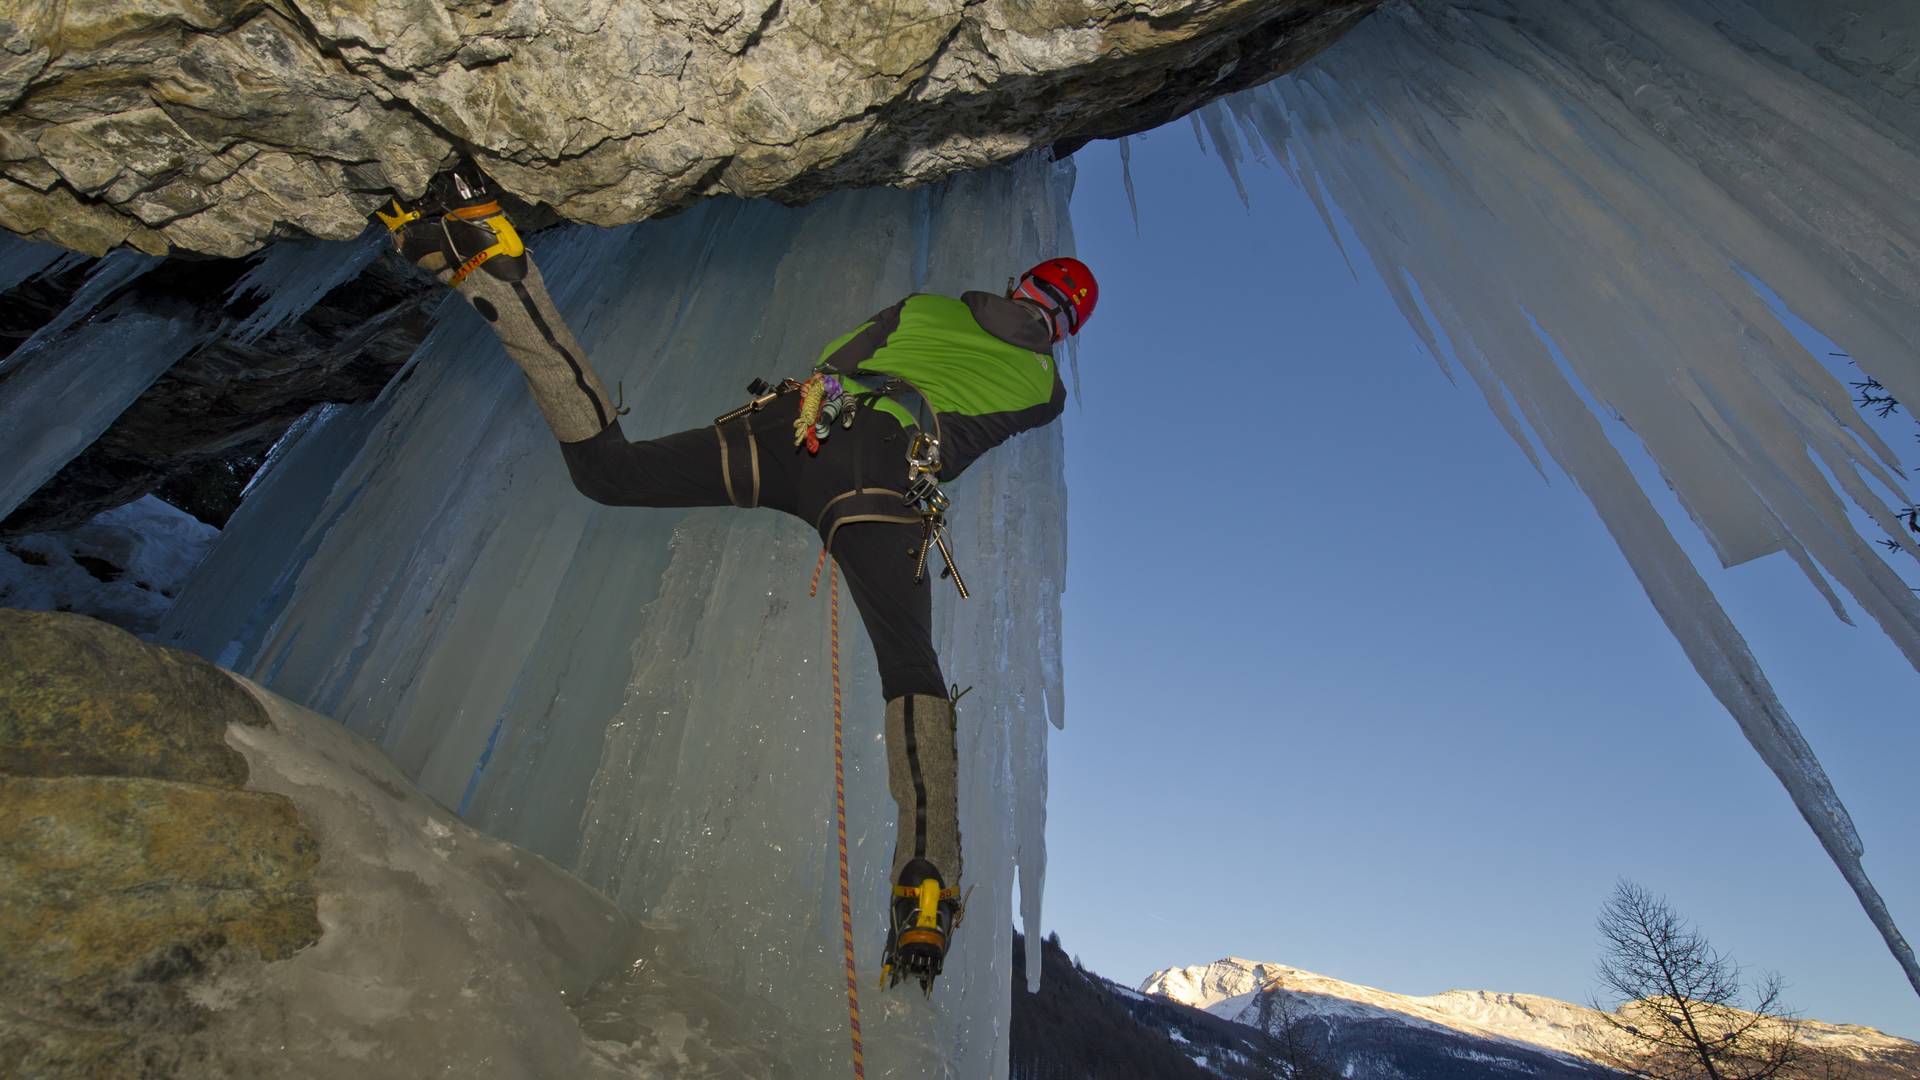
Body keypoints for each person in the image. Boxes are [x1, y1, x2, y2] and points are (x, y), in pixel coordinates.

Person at [378, 166, 1096, 992]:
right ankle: (926, 879)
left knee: (611, 472)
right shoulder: (1046, 390)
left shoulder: (928, 308)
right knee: (911, 670)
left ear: (1019, 282)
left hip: (800, 432)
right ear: (1068, 327)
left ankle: (493, 266)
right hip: (884, 484)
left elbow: (837, 358)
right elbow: (992, 420)